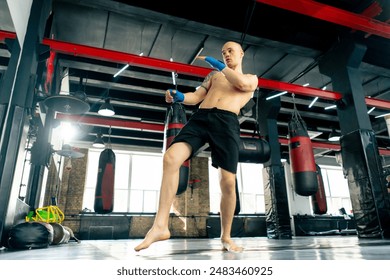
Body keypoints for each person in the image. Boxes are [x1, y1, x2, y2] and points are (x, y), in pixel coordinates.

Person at [134, 41, 258, 252]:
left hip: (226, 122)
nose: (226, 54)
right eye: (223, 52)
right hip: (201, 118)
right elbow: (196, 97)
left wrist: (220, 66)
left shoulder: (250, 78)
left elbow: (242, 86)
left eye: (230, 51)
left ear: (241, 53)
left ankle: (226, 237)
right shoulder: (213, 77)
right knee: (170, 158)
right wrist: (180, 97)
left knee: (228, 182)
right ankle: (160, 226)